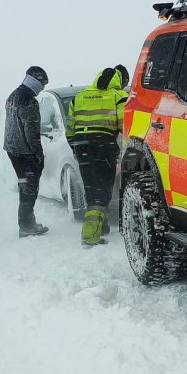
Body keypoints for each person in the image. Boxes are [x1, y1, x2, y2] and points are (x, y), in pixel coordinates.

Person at [66, 66, 128, 246]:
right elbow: (125, 128)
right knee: (102, 190)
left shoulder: (80, 96)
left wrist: (76, 148)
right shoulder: (118, 97)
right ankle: (90, 236)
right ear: (118, 81)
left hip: (81, 146)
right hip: (103, 145)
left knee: (92, 188)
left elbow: (70, 128)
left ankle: (101, 227)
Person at [3, 66, 50, 238]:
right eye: (42, 84)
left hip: (12, 149)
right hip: (25, 152)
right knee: (30, 188)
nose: (42, 89)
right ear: (36, 81)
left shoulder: (13, 95)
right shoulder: (29, 101)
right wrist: (38, 154)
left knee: (25, 186)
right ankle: (26, 225)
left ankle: (26, 222)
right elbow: (32, 132)